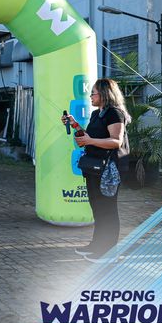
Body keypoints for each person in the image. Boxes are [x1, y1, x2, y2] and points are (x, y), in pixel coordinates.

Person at [62, 78, 130, 263]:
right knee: (98, 208)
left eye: (93, 93)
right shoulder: (96, 114)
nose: (90, 96)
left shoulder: (114, 113)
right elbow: (90, 137)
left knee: (108, 209)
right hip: (94, 167)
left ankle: (109, 252)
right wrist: (75, 124)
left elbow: (116, 141)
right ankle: (97, 245)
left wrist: (90, 141)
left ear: (105, 94)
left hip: (109, 169)